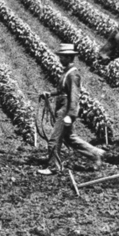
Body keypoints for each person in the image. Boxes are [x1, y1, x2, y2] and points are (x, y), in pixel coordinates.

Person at [37, 44, 105, 176]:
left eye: (61, 56)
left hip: (65, 110)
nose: (59, 59)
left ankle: (53, 167)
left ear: (68, 57)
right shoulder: (67, 72)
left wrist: (71, 115)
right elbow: (63, 91)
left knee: (54, 140)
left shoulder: (73, 75)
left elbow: (74, 97)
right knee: (69, 137)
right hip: (62, 108)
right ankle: (96, 153)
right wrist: (50, 94)